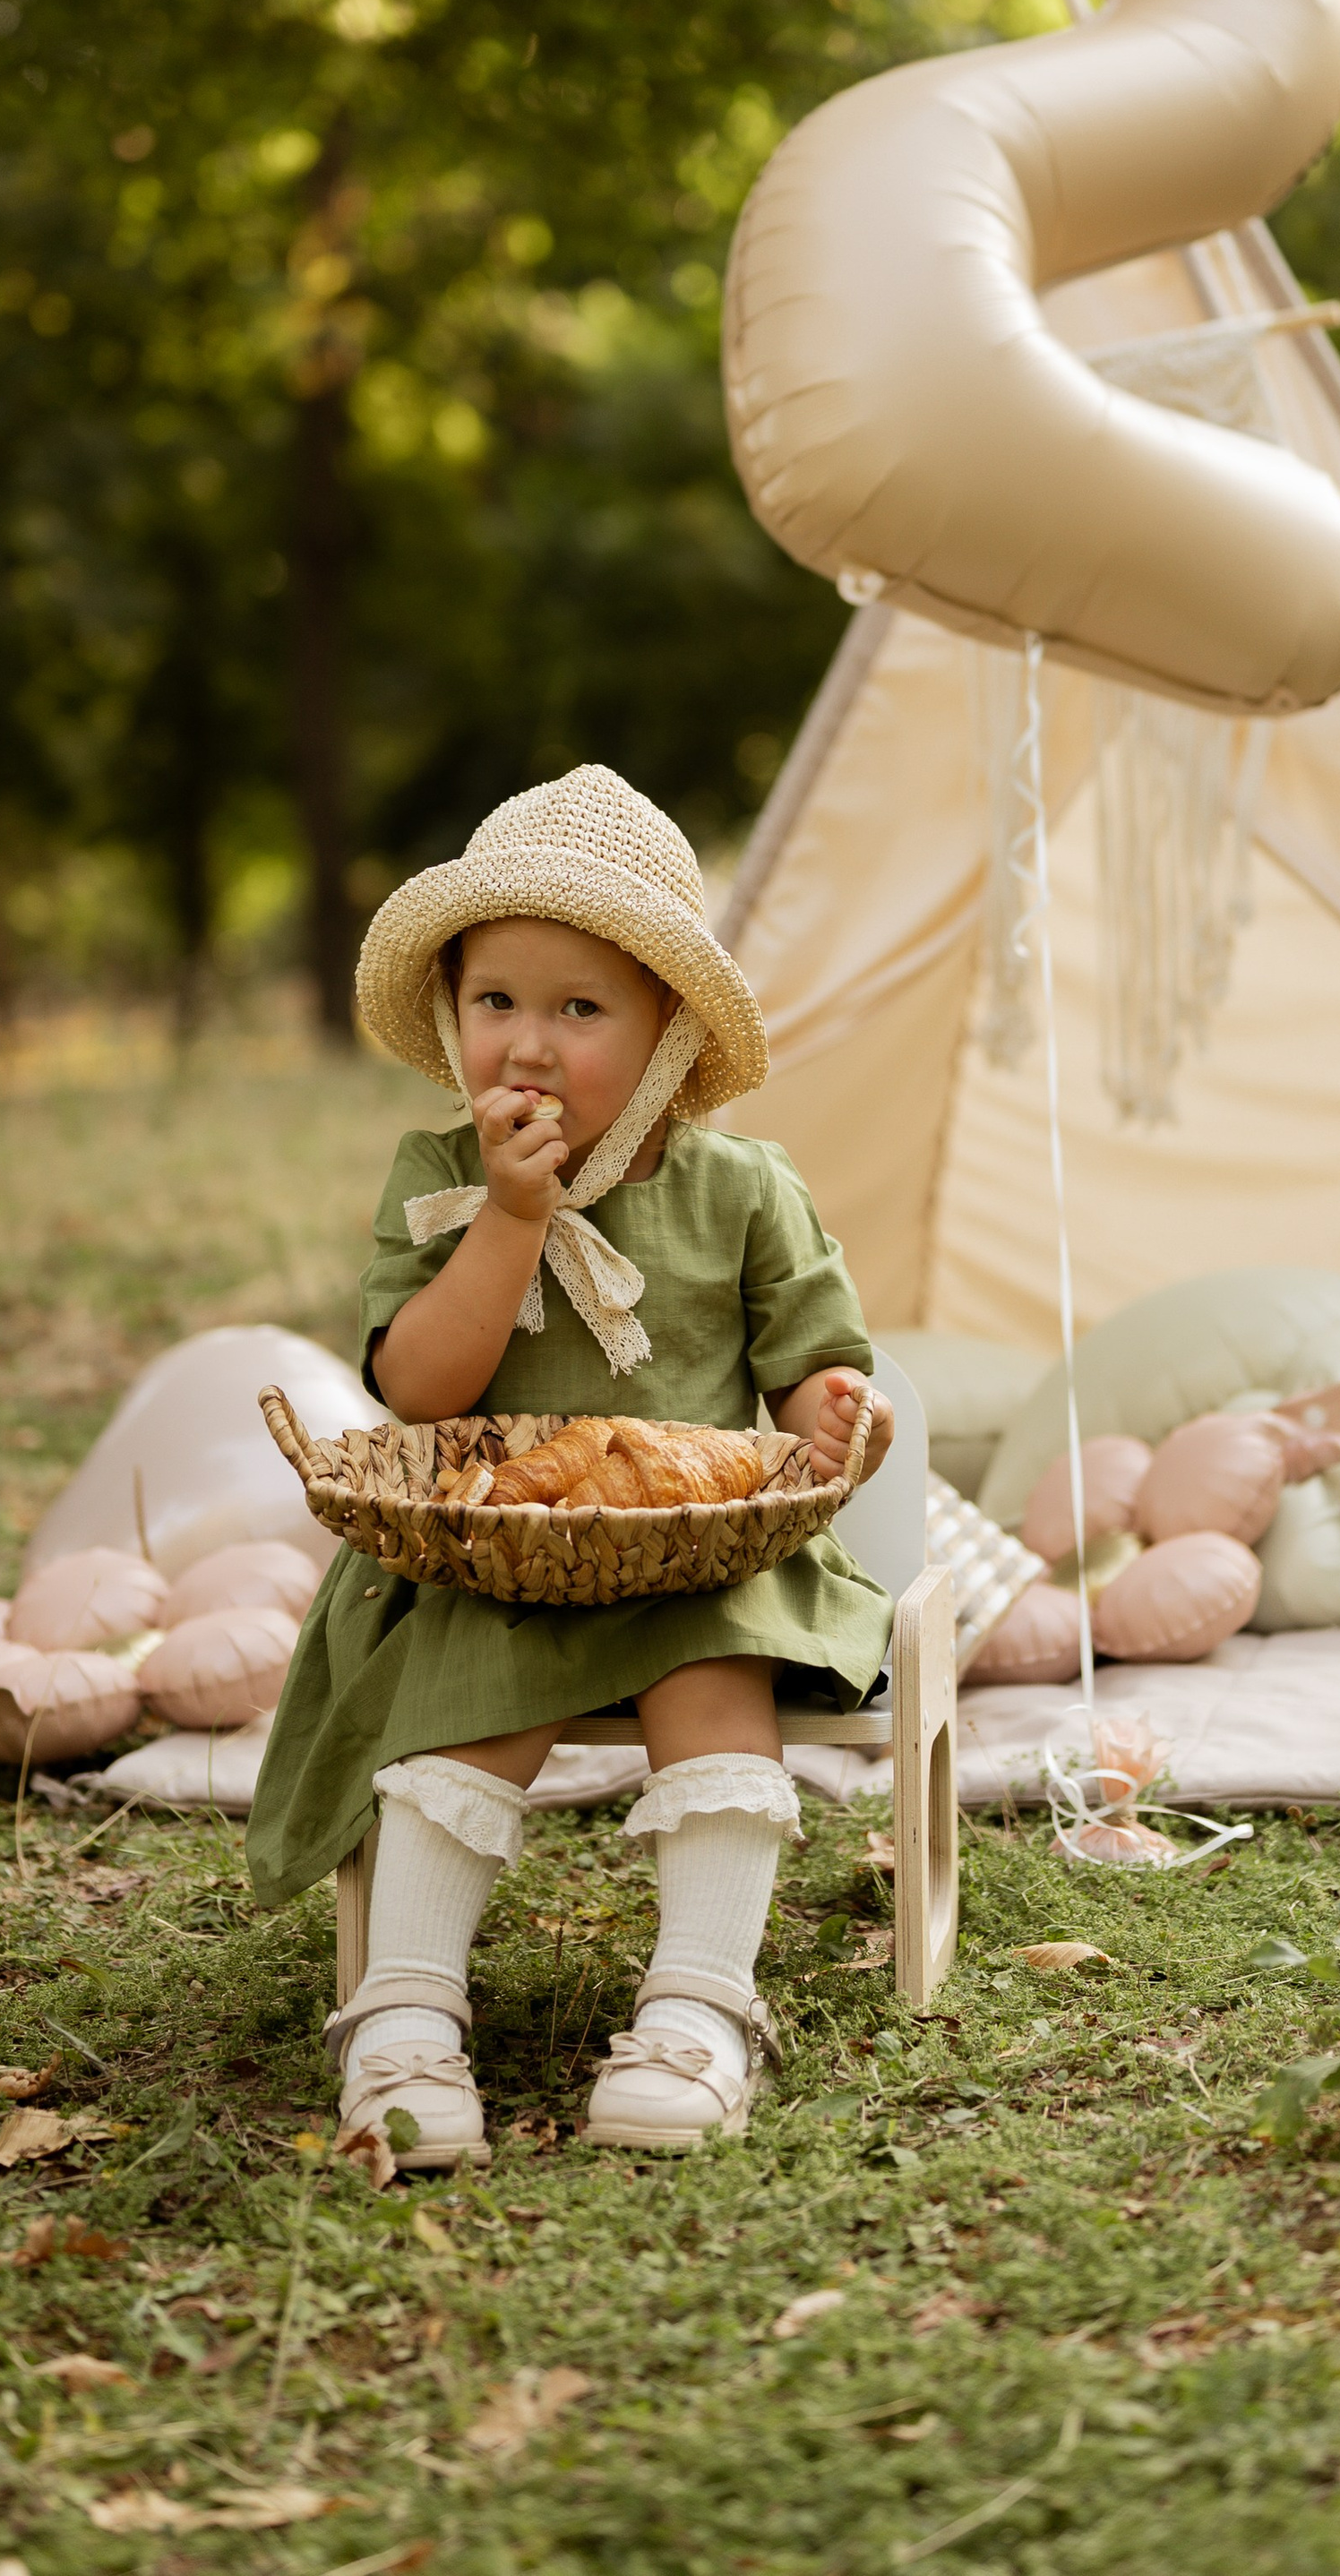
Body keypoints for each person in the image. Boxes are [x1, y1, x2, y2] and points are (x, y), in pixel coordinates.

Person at [246, 764, 894, 2166]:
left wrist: (830, 1411)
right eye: (496, 1003)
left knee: (714, 1676)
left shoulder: (742, 1188)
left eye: (579, 1009)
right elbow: (422, 1389)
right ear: (450, 1015)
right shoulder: (443, 1174)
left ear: (668, 1034)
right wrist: (512, 1220)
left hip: (698, 1553)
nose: (526, 1047)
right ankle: (408, 2010)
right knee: (459, 1698)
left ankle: (700, 2005)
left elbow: (808, 1366)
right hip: (494, 1552)